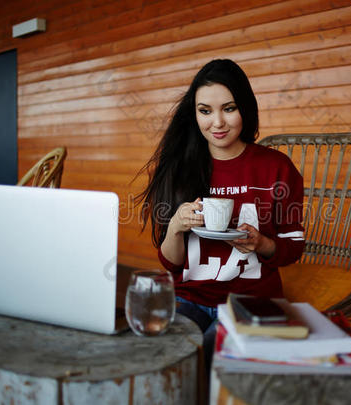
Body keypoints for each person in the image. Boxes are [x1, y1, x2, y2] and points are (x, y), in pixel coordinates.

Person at [137, 59, 305, 364]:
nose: (217, 122)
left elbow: (294, 247)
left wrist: (262, 244)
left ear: (245, 108)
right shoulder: (180, 167)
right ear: (195, 114)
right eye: (205, 111)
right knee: (162, 353)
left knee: (212, 352)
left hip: (251, 302)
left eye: (229, 108)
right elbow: (171, 263)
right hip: (190, 298)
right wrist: (175, 226)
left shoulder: (277, 168)